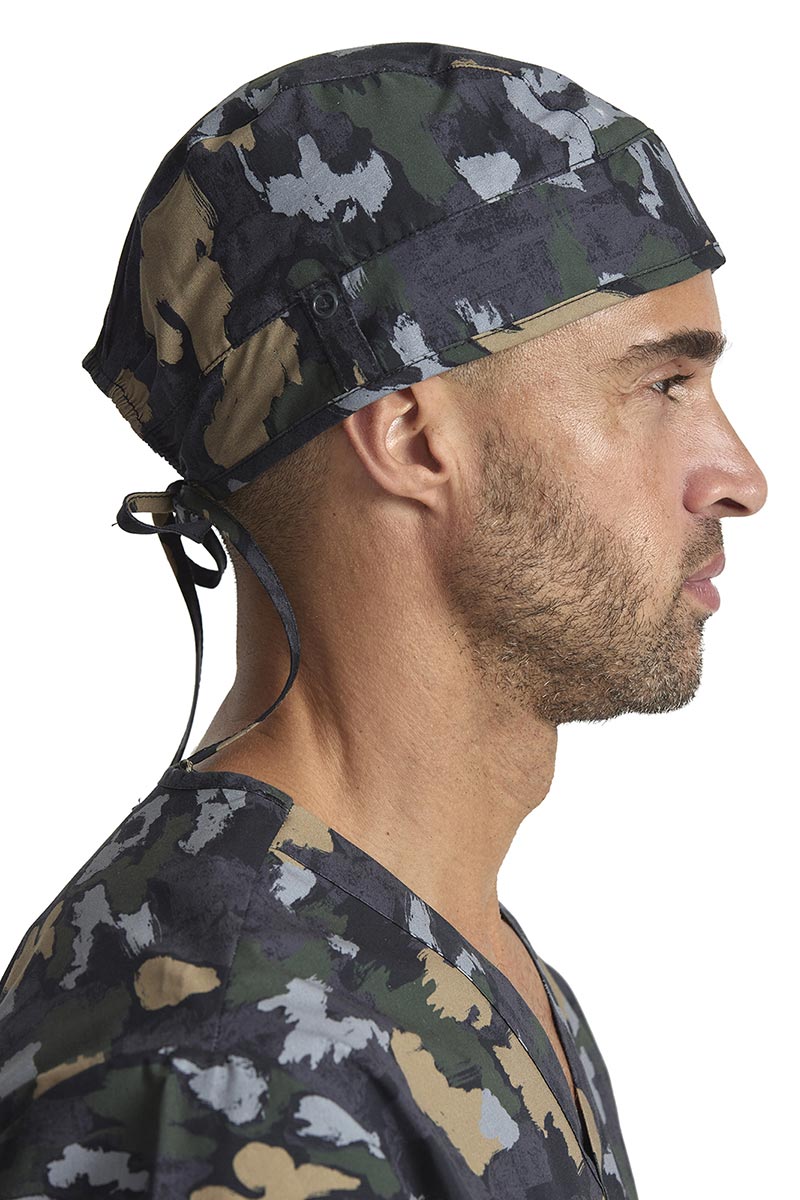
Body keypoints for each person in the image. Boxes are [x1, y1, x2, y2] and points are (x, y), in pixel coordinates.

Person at [0, 40, 767, 1200]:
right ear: (411, 438)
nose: (739, 478)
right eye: (660, 385)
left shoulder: (451, 947)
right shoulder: (215, 1063)